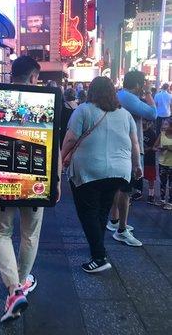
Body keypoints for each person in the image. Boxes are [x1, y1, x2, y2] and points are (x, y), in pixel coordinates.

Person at [0, 56, 61, 322]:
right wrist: (55, 181)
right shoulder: (47, 101)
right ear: (33, 77)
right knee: (30, 235)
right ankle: (20, 285)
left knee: (0, 232)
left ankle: (14, 290)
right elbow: (53, 146)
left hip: (1, 177)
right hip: (36, 180)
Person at [62, 77, 142, 273]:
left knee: (87, 212)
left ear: (92, 92)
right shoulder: (125, 114)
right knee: (102, 210)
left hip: (89, 170)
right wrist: (137, 165)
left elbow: (71, 139)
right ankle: (97, 247)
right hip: (119, 171)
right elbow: (134, 143)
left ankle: (99, 256)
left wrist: (61, 158)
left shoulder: (83, 110)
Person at [107, 71, 157, 247]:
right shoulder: (128, 97)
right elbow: (153, 113)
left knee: (118, 186)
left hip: (120, 145)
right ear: (137, 84)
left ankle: (115, 220)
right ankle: (121, 229)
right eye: (143, 83)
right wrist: (149, 92)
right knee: (126, 189)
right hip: (129, 147)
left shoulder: (121, 95)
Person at [153, 119, 172, 210]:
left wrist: (168, 148)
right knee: (162, 183)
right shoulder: (162, 135)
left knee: (171, 184)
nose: (164, 126)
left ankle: (171, 202)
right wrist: (159, 149)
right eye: (163, 124)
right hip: (162, 163)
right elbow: (154, 147)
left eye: (166, 124)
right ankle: (162, 200)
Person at [142, 120, 157, 205]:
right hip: (140, 156)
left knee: (151, 177)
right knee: (138, 175)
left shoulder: (152, 133)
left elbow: (154, 146)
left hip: (149, 158)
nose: (144, 123)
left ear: (150, 123)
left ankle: (151, 194)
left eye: (147, 121)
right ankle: (138, 191)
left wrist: (145, 149)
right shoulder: (138, 130)